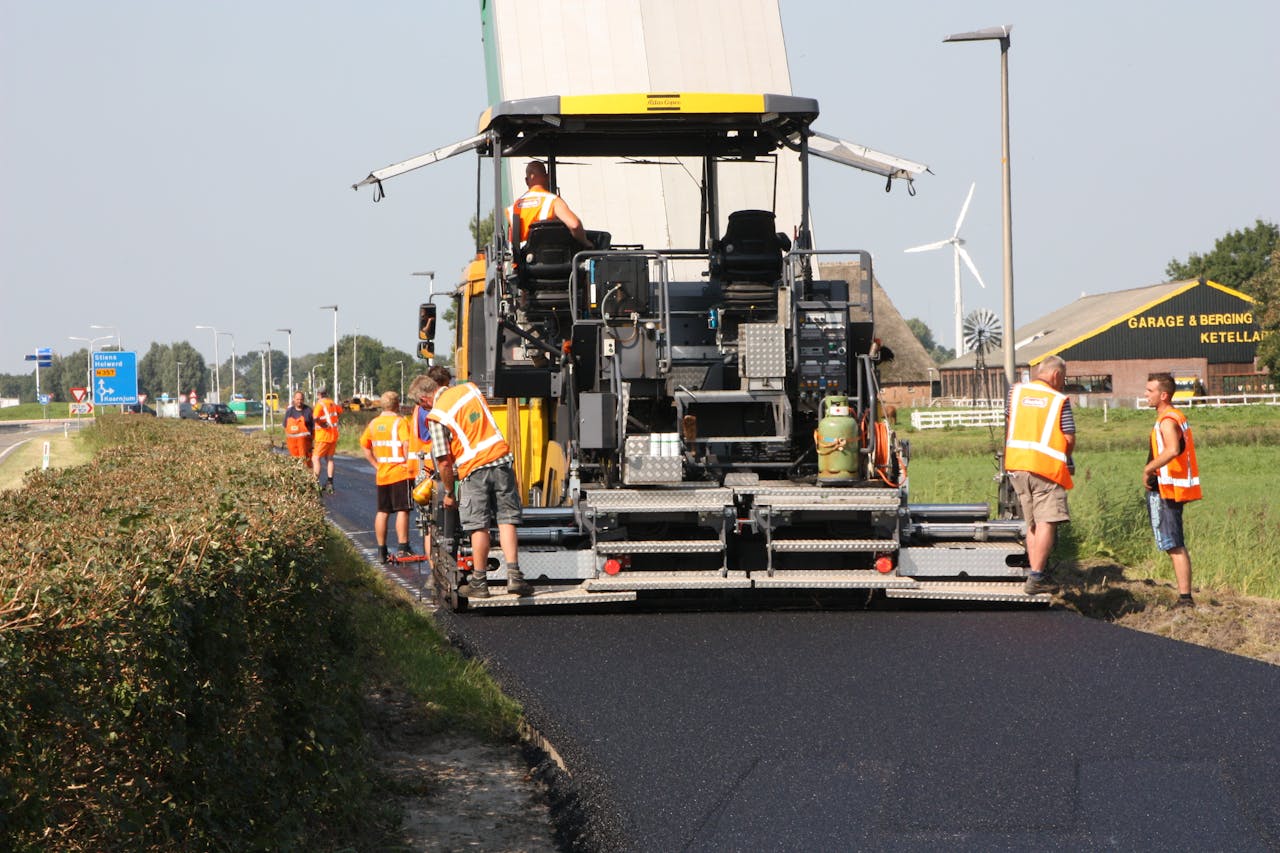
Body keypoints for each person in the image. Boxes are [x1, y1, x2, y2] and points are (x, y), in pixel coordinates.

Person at [419, 366, 531, 598]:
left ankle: (480, 582)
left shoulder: (437, 415)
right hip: (501, 459)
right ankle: (514, 576)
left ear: (424, 398)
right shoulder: (470, 389)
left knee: (478, 525)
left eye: (422, 406)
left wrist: (449, 493)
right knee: (507, 518)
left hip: (474, 470)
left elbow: (444, 461)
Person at [1004, 355, 1076, 595]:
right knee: (1046, 521)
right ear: (1056, 375)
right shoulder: (1058, 400)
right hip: (1046, 469)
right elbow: (1068, 437)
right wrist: (1067, 459)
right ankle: (1037, 576)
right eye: (1063, 378)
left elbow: (1011, 423)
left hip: (1017, 466)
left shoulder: (1016, 393)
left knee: (1032, 523)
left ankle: (1035, 573)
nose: (1063, 383)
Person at [1142, 372, 1202, 608]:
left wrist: (1148, 469)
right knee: (1172, 543)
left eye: (1150, 391)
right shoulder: (1172, 417)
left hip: (1169, 489)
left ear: (1163, 395)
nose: (1146, 395)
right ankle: (1184, 596)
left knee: (1174, 543)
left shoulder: (1168, 420)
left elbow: (1172, 450)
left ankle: (1185, 598)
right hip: (1169, 487)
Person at [360, 391, 414, 563]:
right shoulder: (400, 422)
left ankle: (381, 550)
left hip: (382, 473)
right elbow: (406, 444)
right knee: (402, 510)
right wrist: (408, 463)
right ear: (397, 404)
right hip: (399, 472)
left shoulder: (374, 424)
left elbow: (365, 446)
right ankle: (403, 547)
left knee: (383, 512)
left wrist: (376, 465)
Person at [506, 159, 592, 248]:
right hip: (556, 258)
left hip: (526, 259)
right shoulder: (553, 201)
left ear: (527, 181)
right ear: (547, 177)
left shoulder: (512, 209)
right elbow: (574, 225)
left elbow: (512, 242)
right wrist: (586, 242)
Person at [312, 387, 343, 494]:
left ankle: (314, 482)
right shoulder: (332, 403)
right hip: (333, 435)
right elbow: (339, 411)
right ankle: (330, 482)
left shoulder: (320, 404)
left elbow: (315, 417)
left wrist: (322, 423)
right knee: (329, 459)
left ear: (319, 394)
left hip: (323, 436)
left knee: (315, 458)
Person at [282, 390, 314, 466]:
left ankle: (307, 476)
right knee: (294, 462)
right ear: (294, 399)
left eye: (301, 399)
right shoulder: (289, 411)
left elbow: (313, 426)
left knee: (305, 462)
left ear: (303, 400)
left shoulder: (308, 411)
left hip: (305, 444)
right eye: (297, 399)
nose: (299, 401)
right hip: (292, 444)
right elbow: (285, 425)